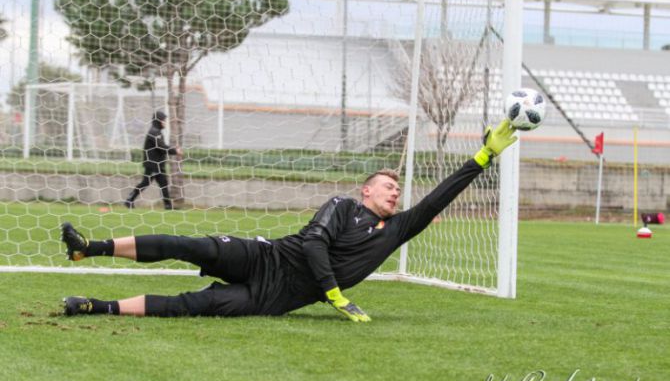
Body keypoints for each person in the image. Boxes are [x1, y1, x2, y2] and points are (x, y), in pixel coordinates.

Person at [61, 120, 517, 322]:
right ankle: (90, 247)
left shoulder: (398, 230)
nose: (396, 192)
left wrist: (486, 154)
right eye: (387, 186)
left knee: (192, 305)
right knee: (190, 245)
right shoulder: (341, 206)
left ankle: (96, 307)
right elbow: (315, 245)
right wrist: (336, 295)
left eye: (398, 190)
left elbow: (442, 195)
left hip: (272, 298)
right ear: (366, 190)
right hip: (264, 256)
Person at [125, 111, 182, 210]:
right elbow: (161, 147)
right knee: (145, 183)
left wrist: (173, 149)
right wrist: (175, 151)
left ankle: (168, 206)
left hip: (158, 164)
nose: (165, 122)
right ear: (159, 121)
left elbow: (162, 147)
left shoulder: (157, 131)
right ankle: (129, 200)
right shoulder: (154, 132)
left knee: (163, 184)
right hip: (152, 164)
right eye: (164, 120)